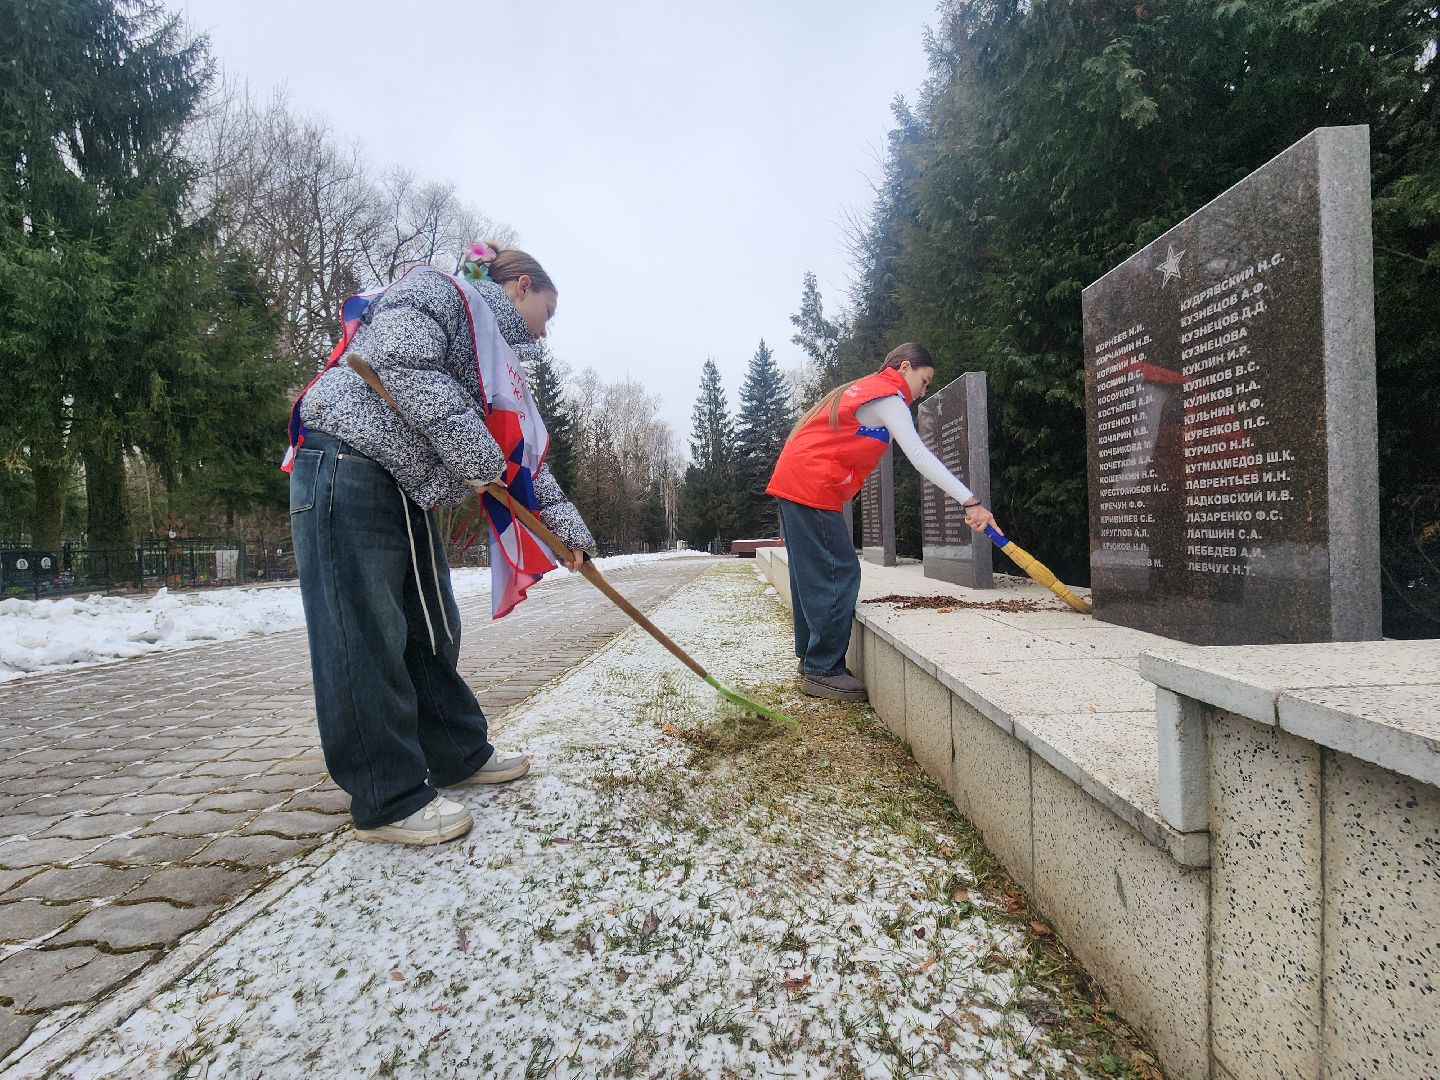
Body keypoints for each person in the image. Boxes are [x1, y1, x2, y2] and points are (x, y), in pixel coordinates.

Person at [285, 243, 595, 846]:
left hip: (404, 483)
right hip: (346, 463)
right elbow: (403, 365)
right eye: (547, 313)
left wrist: (567, 536)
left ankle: (455, 752)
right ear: (522, 287)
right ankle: (387, 794)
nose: (545, 332)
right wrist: (475, 457)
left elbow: (518, 455)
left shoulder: (496, 362)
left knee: (431, 627)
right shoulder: (436, 292)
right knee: (364, 632)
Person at [766, 343, 999, 702]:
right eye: (924, 380)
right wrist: (971, 501)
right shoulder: (888, 397)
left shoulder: (865, 389)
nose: (924, 391)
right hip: (810, 486)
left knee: (808, 574)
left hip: (799, 483)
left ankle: (812, 660)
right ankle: (822, 668)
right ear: (905, 367)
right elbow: (919, 455)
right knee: (838, 573)